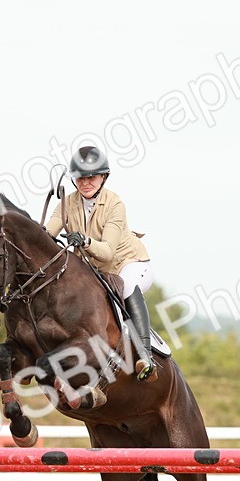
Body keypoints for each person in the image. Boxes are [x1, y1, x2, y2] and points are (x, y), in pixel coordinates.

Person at [45, 145, 158, 382]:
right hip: (97, 273)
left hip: (130, 264)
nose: (85, 182)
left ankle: (146, 355)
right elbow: (46, 234)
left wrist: (84, 240)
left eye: (92, 177)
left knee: (125, 287)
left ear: (103, 177)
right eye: (80, 177)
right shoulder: (66, 203)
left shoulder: (115, 204)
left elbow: (106, 253)